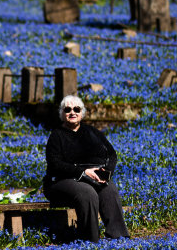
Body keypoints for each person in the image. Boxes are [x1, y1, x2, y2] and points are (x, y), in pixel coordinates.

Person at [43, 95, 129, 242]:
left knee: (110, 189)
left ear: (82, 113)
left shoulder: (92, 132)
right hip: (62, 181)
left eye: (76, 109)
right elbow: (55, 164)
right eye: (67, 109)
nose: (72, 112)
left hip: (91, 178)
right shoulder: (56, 135)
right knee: (87, 193)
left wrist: (105, 172)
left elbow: (111, 154)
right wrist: (82, 172)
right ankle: (89, 241)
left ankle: (118, 237)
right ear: (62, 113)